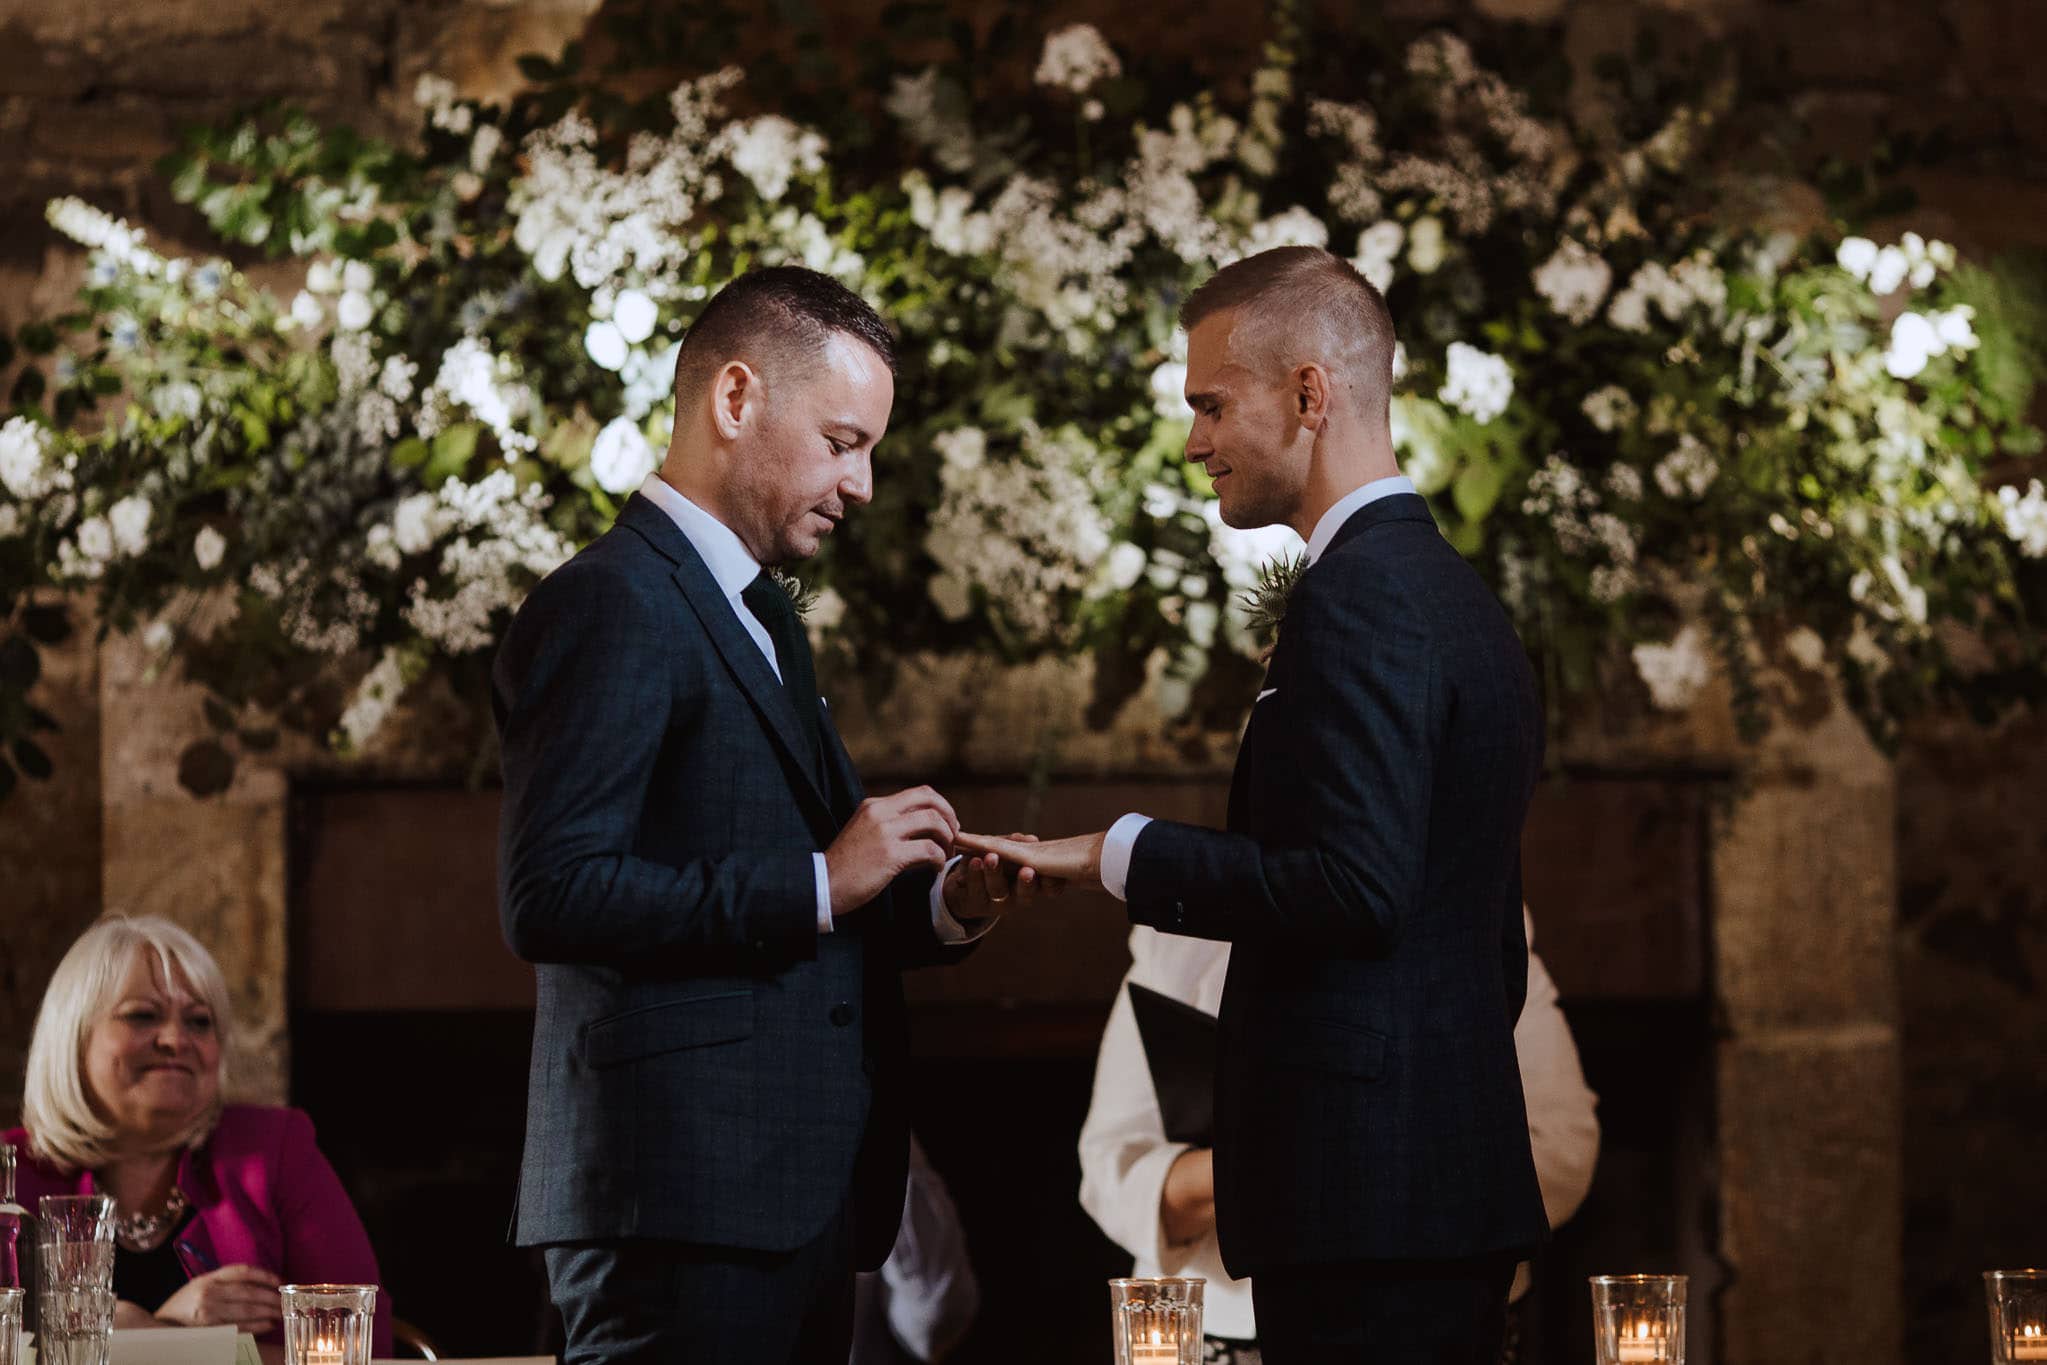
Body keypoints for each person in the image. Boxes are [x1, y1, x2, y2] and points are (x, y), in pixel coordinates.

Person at [958, 245, 1550, 1363]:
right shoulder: (1453, 595)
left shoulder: (1358, 597)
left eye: (1212, 404)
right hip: (1432, 1192)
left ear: (1310, 393)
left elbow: (1353, 888)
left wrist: (1111, 853)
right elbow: (1481, 945)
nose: (1194, 441)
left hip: (1362, 1212)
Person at [494, 265, 1039, 1365]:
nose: (865, 483)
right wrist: (821, 879)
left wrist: (939, 905)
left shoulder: (761, 620)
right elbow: (549, 895)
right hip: (673, 1212)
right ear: (734, 401)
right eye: (844, 441)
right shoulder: (609, 601)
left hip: (788, 1212)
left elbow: (812, 898)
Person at [1078, 910, 1601, 1362]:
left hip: (1434, 1326)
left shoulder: (1474, 913)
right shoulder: (1183, 937)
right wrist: (1253, 1170)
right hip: (1223, 1325)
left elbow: (1563, 1146)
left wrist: (1374, 1168)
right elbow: (1111, 1169)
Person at [7, 915, 391, 1356]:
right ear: (72, 1036)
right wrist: (170, 1332)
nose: (175, 1039)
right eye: (143, 1016)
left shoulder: (273, 1147)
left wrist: (156, 1333)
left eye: (199, 1022)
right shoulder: (11, 1171)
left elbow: (366, 1344)